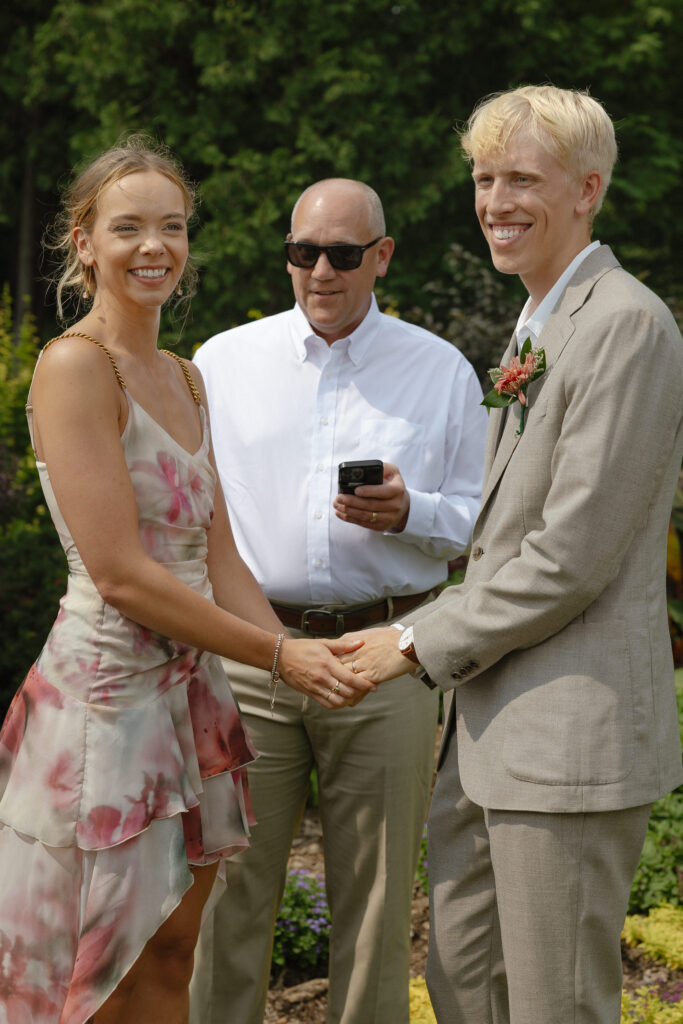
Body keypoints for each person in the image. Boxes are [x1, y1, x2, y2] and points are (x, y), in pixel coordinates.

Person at [0, 139, 371, 1024]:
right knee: (95, 980)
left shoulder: (187, 378)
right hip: (104, 712)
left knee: (172, 951)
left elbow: (220, 560)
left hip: (190, 702)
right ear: (84, 241)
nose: (154, 247)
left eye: (172, 226)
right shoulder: (73, 368)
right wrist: (281, 657)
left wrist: (314, 652)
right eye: (128, 227)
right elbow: (124, 578)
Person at [342, 86, 683, 1024]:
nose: (495, 200)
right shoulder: (539, 322)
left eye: (521, 178)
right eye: (484, 179)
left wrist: (409, 643)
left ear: (588, 189)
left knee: (553, 1007)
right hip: (489, 734)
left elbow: (568, 557)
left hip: (567, 741)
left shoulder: (624, 324)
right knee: (465, 988)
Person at [190, 177, 488, 1024]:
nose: (321, 270)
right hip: (255, 651)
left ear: (382, 256)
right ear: (286, 256)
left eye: (343, 253)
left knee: (380, 897)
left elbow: (482, 525)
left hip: (384, 653)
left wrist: (411, 512)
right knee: (230, 894)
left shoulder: (441, 372)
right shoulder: (222, 363)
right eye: (302, 252)